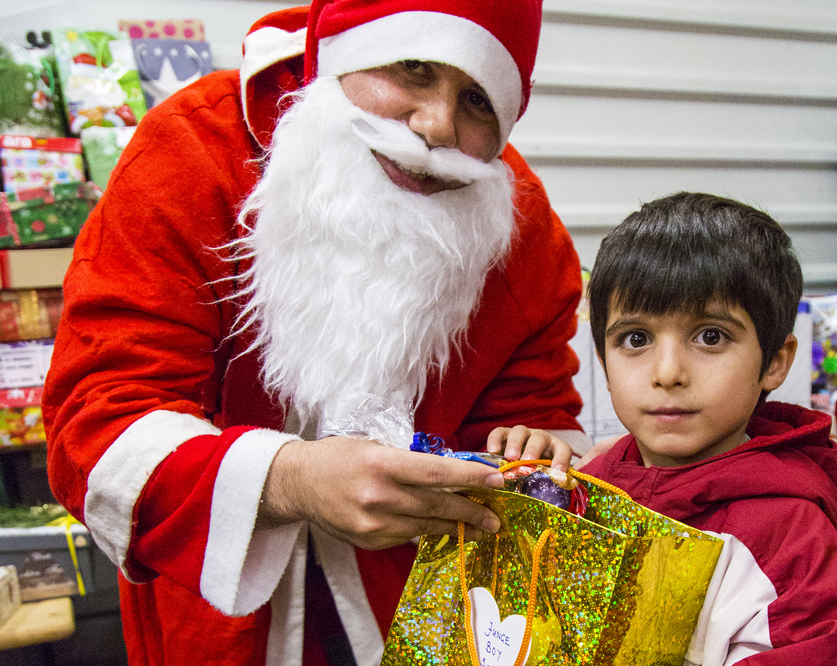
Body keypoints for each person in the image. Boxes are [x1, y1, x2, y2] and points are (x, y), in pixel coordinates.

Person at [41, 1, 588, 665]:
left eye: (477, 99)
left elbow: (533, 417)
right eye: (413, 67)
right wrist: (291, 479)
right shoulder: (189, 153)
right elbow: (100, 423)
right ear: (343, 48)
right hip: (217, 608)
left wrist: (533, 457)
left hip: (434, 614)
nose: (437, 126)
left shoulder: (523, 232)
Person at [578, 193, 837, 665]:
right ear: (603, 361)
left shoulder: (792, 539)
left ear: (775, 362)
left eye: (710, 336)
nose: (668, 373)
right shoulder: (592, 486)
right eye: (636, 339)